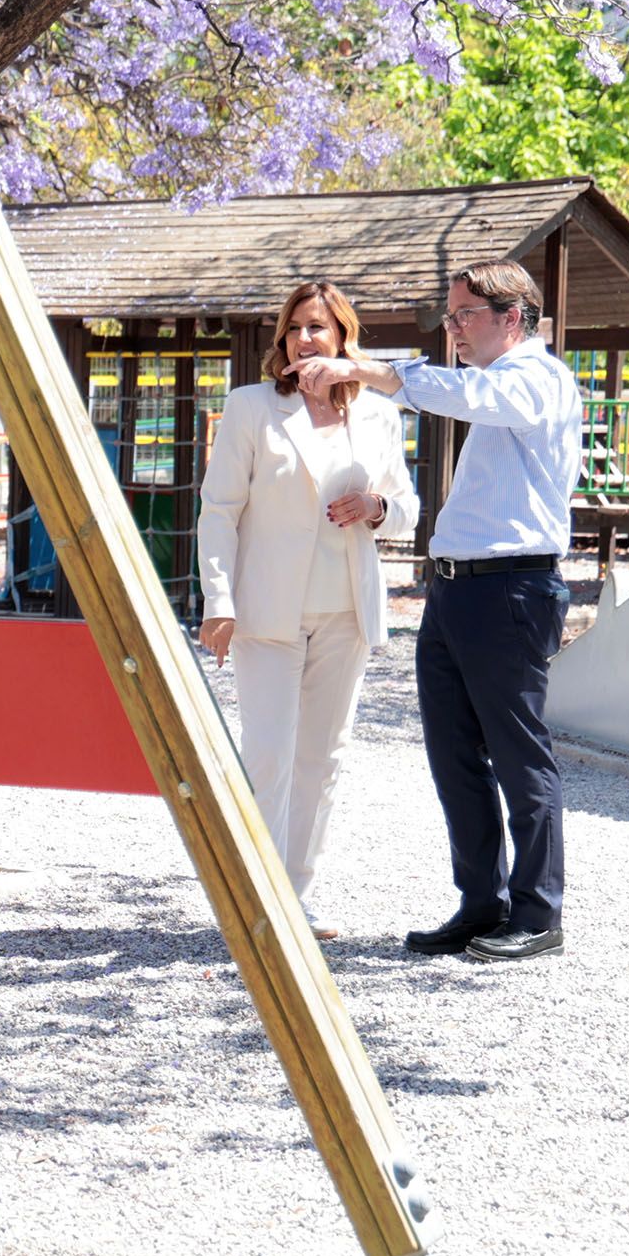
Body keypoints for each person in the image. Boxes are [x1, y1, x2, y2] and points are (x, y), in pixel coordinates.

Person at [294, 259, 583, 963]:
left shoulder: (535, 379)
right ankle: (480, 901)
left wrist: (369, 371)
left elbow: (462, 395)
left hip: (508, 589)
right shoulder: (494, 385)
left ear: (511, 317)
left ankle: (537, 911)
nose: (452, 328)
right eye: (449, 317)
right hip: (457, 588)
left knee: (517, 753)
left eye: (463, 316)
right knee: (454, 755)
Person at [196, 281, 417, 939]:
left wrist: (375, 509)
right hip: (265, 614)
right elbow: (218, 512)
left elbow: (405, 508)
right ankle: (252, 894)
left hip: (345, 614)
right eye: (294, 328)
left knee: (322, 758)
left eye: (318, 327)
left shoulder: (378, 415)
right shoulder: (250, 408)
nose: (304, 339)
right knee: (267, 755)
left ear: (344, 339)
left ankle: (294, 897)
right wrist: (217, 599)